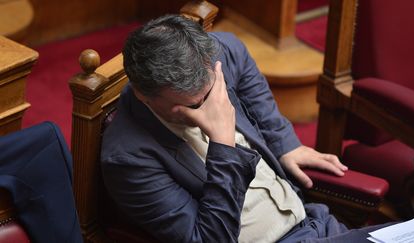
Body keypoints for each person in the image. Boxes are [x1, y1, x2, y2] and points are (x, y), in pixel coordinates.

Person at [101, 14, 389, 243]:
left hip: (315, 223)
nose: (209, 106)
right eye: (193, 105)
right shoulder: (128, 159)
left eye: (210, 92)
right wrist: (223, 145)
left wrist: (284, 142)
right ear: (143, 94)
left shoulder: (217, 56)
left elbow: (237, 54)